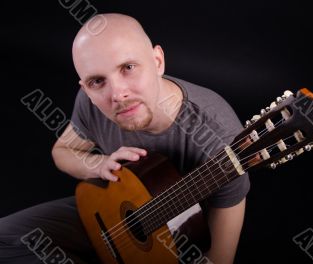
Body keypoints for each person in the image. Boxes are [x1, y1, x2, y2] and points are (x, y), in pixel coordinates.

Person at [0, 13, 250, 264]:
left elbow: (219, 258)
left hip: (177, 243)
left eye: (128, 68)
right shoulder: (91, 103)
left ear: (158, 61)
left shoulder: (217, 136)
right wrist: (99, 164)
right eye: (97, 81)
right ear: (85, 89)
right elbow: (62, 151)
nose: (117, 94)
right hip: (110, 216)